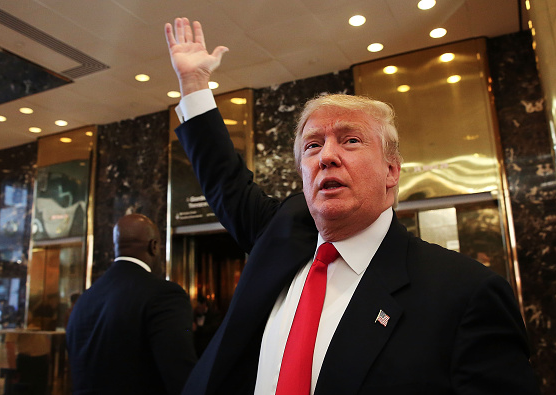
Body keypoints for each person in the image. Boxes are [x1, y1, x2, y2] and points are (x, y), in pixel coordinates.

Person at [164, 18, 540, 395]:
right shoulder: (280, 232)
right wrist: (195, 85)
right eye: (313, 145)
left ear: (391, 171)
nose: (327, 155)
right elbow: (224, 179)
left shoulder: (465, 293)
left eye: (351, 140)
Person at [66, 214, 197, 394]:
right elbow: (181, 374)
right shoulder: (165, 294)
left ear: (116, 246)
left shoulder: (84, 300)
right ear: (154, 246)